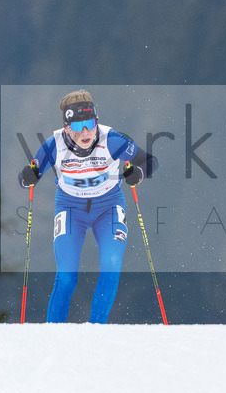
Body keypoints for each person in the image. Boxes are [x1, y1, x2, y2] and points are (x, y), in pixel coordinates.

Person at [18, 89, 158, 323]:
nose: (85, 131)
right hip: (70, 209)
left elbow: (150, 162)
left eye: (90, 123)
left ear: (96, 121)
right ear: (66, 128)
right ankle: (53, 335)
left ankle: (96, 332)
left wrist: (138, 174)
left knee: (111, 266)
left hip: (108, 207)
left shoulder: (113, 141)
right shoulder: (54, 145)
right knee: (65, 277)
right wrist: (27, 176)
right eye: (77, 125)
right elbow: (26, 178)